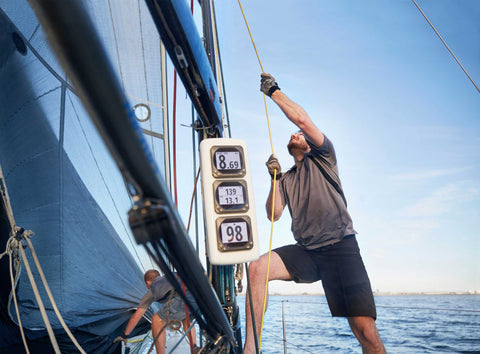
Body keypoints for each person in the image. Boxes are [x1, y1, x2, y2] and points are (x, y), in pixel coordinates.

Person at [243, 73, 386, 353]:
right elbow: (274, 215)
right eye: (293, 136)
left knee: (364, 330)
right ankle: (250, 349)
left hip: (340, 248)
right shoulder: (285, 179)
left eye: (300, 136)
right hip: (307, 251)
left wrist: (274, 92)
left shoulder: (323, 156)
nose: (296, 135)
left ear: (308, 145)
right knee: (256, 268)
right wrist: (274, 179)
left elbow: (302, 121)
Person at [114, 269, 197, 354]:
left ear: (147, 283)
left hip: (184, 299)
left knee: (156, 320)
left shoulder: (153, 289)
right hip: (197, 298)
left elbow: (136, 317)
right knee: (187, 321)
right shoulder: (169, 277)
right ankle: (195, 349)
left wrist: (124, 335)